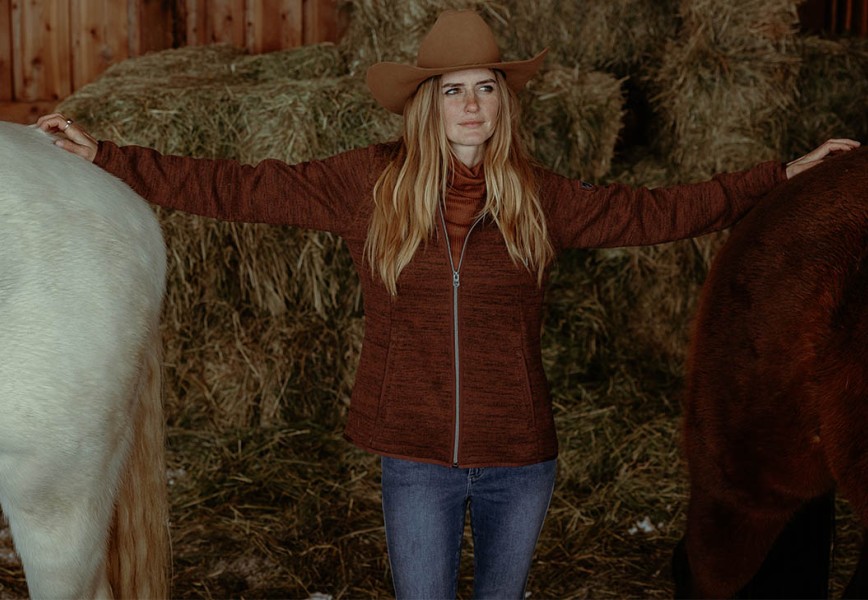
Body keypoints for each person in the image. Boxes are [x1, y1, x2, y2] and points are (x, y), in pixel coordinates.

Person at [39, 9, 859, 599]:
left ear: (504, 103)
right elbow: (237, 187)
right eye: (453, 89)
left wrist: (778, 178)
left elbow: (659, 212)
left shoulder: (541, 197)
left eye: (487, 89)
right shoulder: (366, 183)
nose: (471, 104)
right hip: (416, 461)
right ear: (424, 102)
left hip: (521, 460)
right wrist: (108, 156)